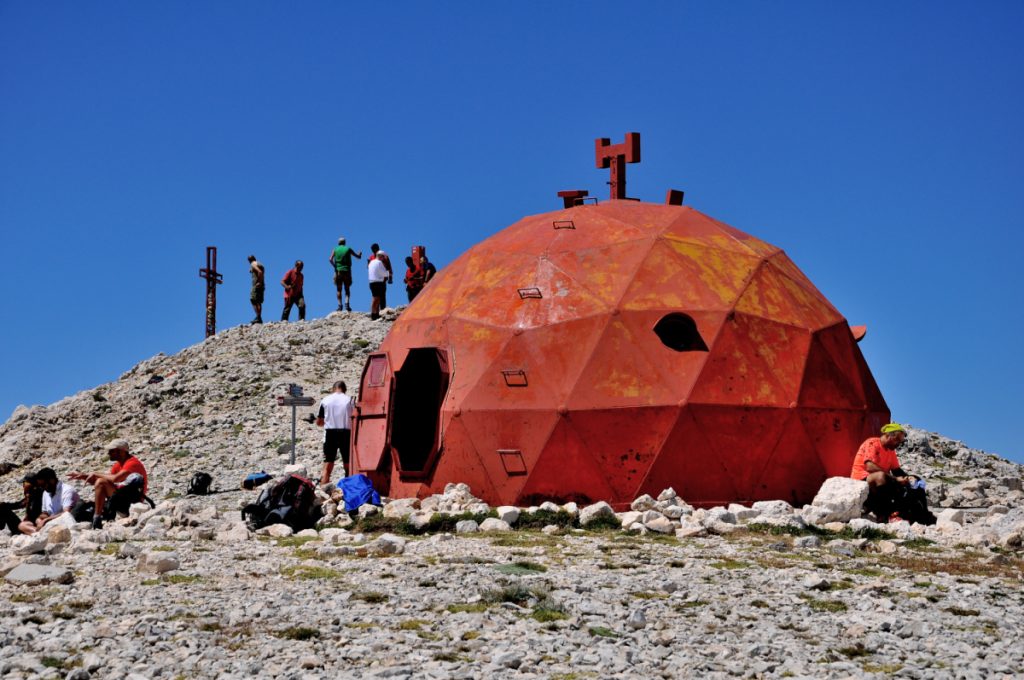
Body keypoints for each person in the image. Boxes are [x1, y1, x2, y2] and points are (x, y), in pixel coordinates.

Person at [69, 438, 149, 529]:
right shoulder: (118, 465)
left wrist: (95, 473)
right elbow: (105, 483)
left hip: (133, 504)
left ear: (121, 451)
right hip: (122, 500)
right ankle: (97, 517)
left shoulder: (132, 463)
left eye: (112, 451)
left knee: (101, 482)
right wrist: (83, 476)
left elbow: (115, 478)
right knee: (99, 485)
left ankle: (97, 518)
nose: (109, 453)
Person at [851, 423, 910, 520]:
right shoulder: (872, 443)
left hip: (878, 485)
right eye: (897, 440)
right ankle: (882, 512)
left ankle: (893, 512)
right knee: (881, 477)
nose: (898, 444)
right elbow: (869, 467)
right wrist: (895, 479)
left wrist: (908, 478)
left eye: (900, 441)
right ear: (887, 435)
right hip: (860, 481)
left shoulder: (891, 451)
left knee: (902, 484)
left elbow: (896, 470)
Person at [17, 467, 81, 535]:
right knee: (22, 525)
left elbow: (67, 513)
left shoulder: (67, 490)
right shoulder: (46, 492)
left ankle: (39, 534)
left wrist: (46, 520)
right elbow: (45, 513)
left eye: (43, 485)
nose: (42, 488)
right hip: (51, 522)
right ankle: (40, 533)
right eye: (40, 486)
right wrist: (40, 518)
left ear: (51, 480)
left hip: (64, 523)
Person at [316, 381, 354, 484]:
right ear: (345, 389)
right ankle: (349, 487)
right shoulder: (350, 400)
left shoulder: (325, 400)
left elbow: (319, 422)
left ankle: (323, 488)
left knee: (328, 463)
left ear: (333, 389)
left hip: (330, 434)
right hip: (346, 434)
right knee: (348, 463)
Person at [330, 238, 362, 312]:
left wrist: (335, 266)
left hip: (338, 271)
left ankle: (339, 306)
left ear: (338, 243)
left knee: (339, 289)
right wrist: (360, 254)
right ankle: (347, 304)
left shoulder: (335, 249)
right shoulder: (348, 249)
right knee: (347, 288)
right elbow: (358, 257)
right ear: (345, 242)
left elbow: (330, 259)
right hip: (347, 271)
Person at [368, 244, 393, 308]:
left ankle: (382, 309)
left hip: (382, 279)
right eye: (373, 250)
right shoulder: (371, 258)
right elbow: (369, 268)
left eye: (375, 250)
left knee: (382, 295)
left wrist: (390, 277)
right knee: (375, 296)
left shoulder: (384, 256)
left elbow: (389, 267)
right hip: (374, 280)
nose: (374, 252)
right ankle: (376, 310)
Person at [367, 252, 389, 320]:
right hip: (378, 282)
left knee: (377, 298)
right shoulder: (379, 262)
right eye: (383, 257)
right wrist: (388, 273)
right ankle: (373, 314)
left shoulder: (371, 262)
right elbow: (384, 273)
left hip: (372, 282)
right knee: (375, 299)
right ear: (380, 256)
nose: (383, 258)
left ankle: (376, 314)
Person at [248, 255, 265, 324]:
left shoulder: (253, 264)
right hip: (262, 285)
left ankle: (258, 317)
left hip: (257, 285)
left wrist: (259, 282)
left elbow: (259, 272)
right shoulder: (259, 264)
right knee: (258, 301)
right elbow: (261, 271)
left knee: (253, 300)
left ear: (249, 260)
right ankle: (259, 318)